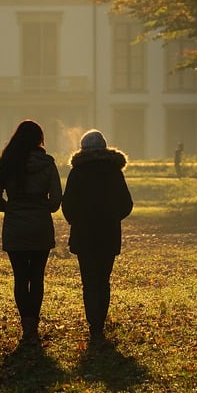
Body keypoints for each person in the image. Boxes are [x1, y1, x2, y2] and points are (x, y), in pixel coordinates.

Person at [0, 120, 62, 346]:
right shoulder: (47, 164)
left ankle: (26, 325)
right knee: (37, 277)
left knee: (20, 277)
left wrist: (8, 207)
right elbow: (56, 199)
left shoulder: (7, 163)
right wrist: (42, 207)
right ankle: (33, 325)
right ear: (40, 139)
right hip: (40, 226)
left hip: (15, 225)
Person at [62, 129, 133, 344]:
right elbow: (126, 204)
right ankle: (100, 323)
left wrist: (78, 221)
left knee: (89, 281)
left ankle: (93, 324)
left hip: (84, 234)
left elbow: (68, 205)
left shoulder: (77, 173)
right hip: (108, 233)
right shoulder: (114, 172)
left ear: (82, 149)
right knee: (103, 279)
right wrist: (111, 218)